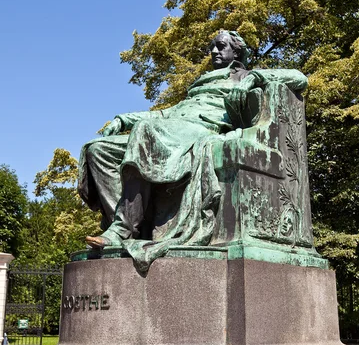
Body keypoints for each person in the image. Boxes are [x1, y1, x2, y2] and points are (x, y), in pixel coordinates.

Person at [78, 31, 307, 271]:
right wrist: (124, 119)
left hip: (198, 131)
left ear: (236, 52)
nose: (214, 51)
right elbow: (167, 113)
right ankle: (138, 226)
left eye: (220, 46)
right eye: (212, 47)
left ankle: (122, 229)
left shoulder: (244, 76)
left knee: (146, 131)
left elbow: (299, 77)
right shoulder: (201, 84)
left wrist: (253, 78)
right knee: (97, 150)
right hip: (171, 128)